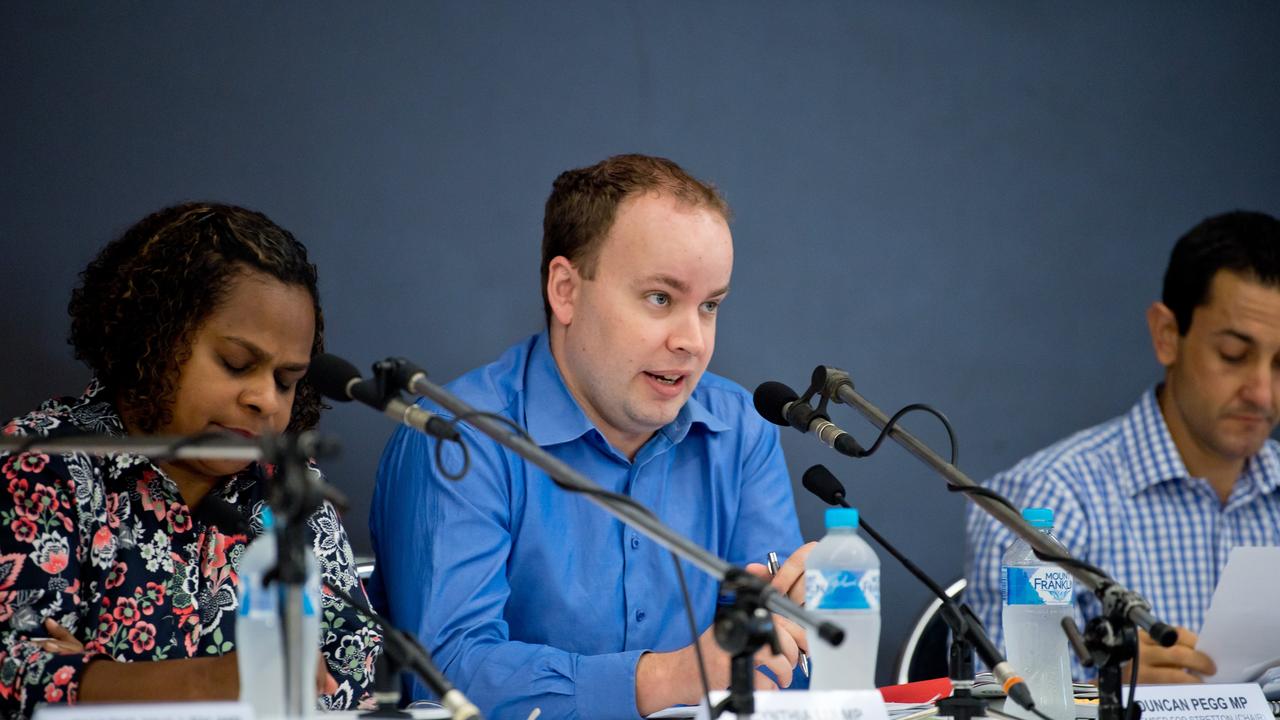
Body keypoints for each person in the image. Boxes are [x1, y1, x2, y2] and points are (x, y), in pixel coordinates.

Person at [369, 154, 809, 719]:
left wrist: (799, 622)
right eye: (660, 298)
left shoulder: (741, 430)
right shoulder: (456, 440)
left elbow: (779, 669)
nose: (693, 341)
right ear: (566, 290)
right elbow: (447, 675)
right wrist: (669, 677)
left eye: (710, 306)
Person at [0, 203, 381, 717]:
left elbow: (350, 675)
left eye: (286, 381)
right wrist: (214, 680)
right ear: (153, 337)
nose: (265, 400)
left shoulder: (288, 492)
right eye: (237, 363)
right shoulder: (46, 464)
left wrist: (99, 678)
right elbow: (15, 679)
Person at [965, 210, 1280, 683]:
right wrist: (1107, 689)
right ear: (1167, 336)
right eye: (1234, 355)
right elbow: (1004, 698)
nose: (1262, 392)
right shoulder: (1048, 500)